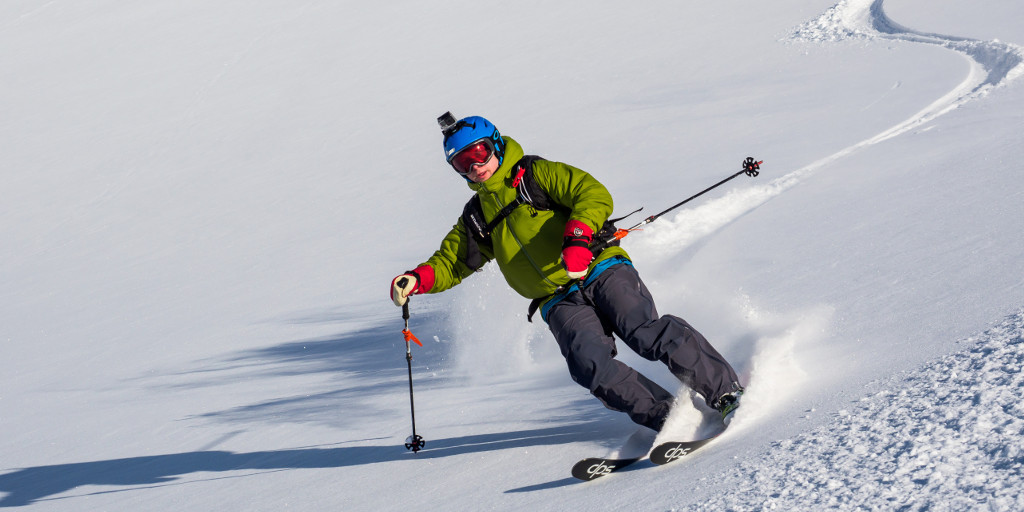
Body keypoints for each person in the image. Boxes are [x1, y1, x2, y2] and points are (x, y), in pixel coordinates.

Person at [389, 113, 744, 432]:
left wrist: (577, 237)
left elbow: (591, 193)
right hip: (556, 300)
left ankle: (725, 392)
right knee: (590, 366)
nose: (474, 167)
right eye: (462, 163)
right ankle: (672, 419)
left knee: (643, 332)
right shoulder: (477, 216)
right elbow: (452, 260)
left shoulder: (534, 175)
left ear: (495, 143)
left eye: (479, 153)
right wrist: (418, 279)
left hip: (599, 267)